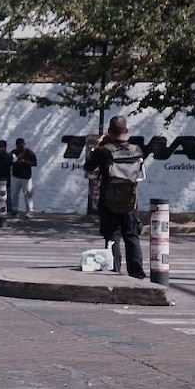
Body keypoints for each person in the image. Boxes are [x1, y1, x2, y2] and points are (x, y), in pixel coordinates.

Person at [85, 116, 147, 279]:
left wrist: (97, 146)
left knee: (112, 236)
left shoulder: (103, 151)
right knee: (132, 236)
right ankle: (137, 273)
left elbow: (88, 166)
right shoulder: (137, 150)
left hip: (109, 200)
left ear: (109, 132)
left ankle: (114, 270)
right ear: (126, 130)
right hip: (130, 200)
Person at [10, 138, 38, 219]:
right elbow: (9, 162)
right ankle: (14, 210)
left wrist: (25, 162)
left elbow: (35, 163)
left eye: (21, 145)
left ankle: (29, 211)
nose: (20, 147)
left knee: (28, 194)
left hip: (26, 177)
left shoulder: (29, 152)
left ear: (24, 144)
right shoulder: (13, 152)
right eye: (18, 145)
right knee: (14, 194)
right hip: (15, 176)